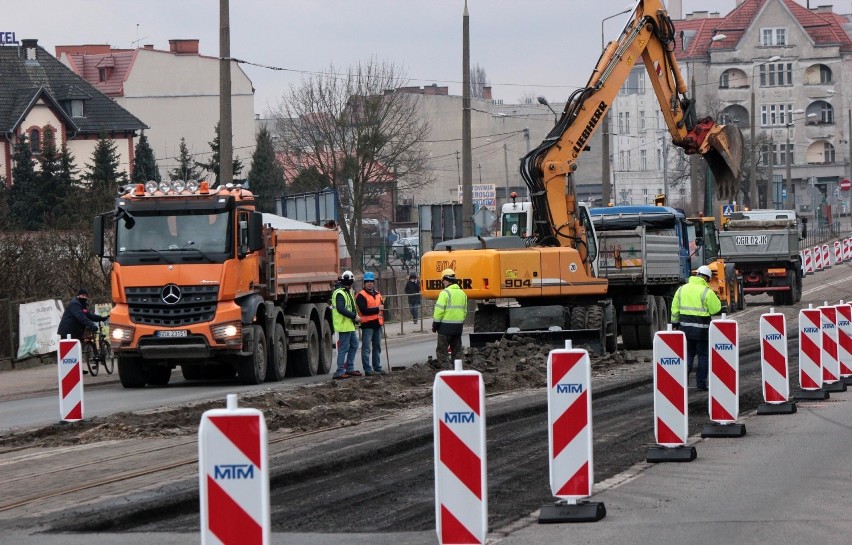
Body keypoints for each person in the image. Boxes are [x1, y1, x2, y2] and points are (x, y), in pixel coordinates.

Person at [670, 265, 722, 391]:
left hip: (685, 330)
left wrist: (675, 323)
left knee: (687, 356)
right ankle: (701, 384)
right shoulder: (706, 291)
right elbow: (716, 309)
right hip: (702, 331)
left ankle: (682, 383)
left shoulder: (682, 289)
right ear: (707, 278)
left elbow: (675, 309)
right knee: (703, 357)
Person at [432, 268, 468, 368]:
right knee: (457, 352)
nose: (442, 282)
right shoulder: (462, 294)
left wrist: (435, 326)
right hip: (457, 328)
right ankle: (457, 372)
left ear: (446, 280)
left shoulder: (445, 293)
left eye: (443, 280)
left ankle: (448, 374)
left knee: (441, 353)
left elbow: (439, 312)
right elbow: (464, 312)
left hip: (445, 329)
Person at [330, 271, 363, 379]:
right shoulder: (340, 292)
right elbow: (340, 309)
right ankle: (340, 371)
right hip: (343, 325)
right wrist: (354, 317)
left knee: (354, 345)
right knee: (344, 348)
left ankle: (349, 368)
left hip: (348, 325)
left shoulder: (346, 291)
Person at [356, 271, 386, 375]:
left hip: (377, 324)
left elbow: (382, 308)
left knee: (377, 347)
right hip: (367, 325)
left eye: (371, 281)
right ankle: (368, 370)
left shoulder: (378, 294)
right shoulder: (361, 295)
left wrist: (381, 311)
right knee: (366, 348)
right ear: (364, 283)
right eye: (367, 281)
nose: (369, 283)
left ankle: (377, 367)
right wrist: (377, 309)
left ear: (374, 283)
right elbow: (364, 310)